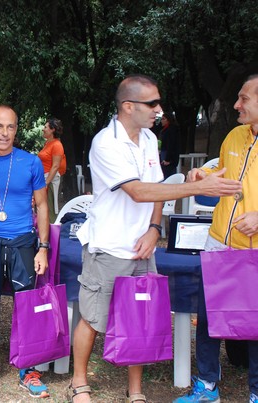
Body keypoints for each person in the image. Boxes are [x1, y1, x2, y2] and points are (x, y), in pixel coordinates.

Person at [68, 74, 241, 403]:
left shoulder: (148, 138)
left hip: (142, 246)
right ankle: (79, 383)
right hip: (108, 246)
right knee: (92, 317)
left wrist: (154, 229)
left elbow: (157, 187)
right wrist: (198, 188)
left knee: (139, 317)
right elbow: (138, 191)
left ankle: (135, 390)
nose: (159, 109)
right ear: (128, 106)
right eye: (152, 103)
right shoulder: (105, 143)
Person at [173, 74, 258, 403]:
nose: (236, 105)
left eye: (243, 98)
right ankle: (207, 385)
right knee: (208, 317)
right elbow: (221, 171)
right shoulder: (234, 136)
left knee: (255, 323)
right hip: (220, 244)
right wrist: (200, 175)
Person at [0, 105, 51, 400]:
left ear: (17, 129)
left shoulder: (30, 163)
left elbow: (42, 206)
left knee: (25, 307)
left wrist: (42, 247)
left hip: (23, 243)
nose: (5, 133)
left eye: (11, 127)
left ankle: (27, 369)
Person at [37, 117, 67, 222]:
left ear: (52, 130)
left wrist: (46, 183)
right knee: (43, 208)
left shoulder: (57, 145)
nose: (43, 129)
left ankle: (53, 234)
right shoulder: (47, 144)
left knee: (50, 209)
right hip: (44, 179)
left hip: (50, 181)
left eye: (45, 127)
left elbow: (55, 166)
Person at [159, 111, 180, 178]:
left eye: (163, 119)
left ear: (168, 120)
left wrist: (168, 159)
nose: (161, 121)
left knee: (168, 174)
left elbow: (171, 145)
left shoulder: (171, 130)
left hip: (168, 155)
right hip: (165, 153)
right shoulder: (165, 129)